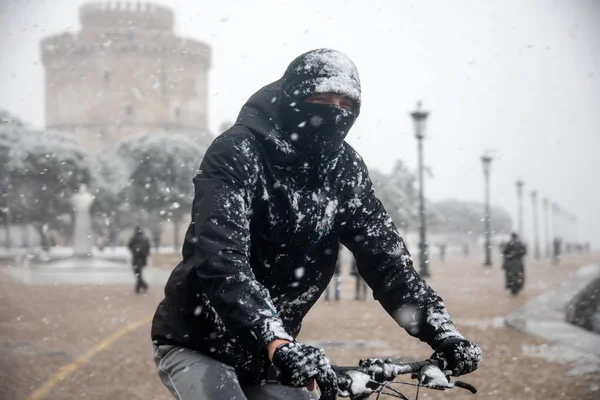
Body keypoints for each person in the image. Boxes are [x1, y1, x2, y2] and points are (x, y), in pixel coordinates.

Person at [151, 48, 481, 400]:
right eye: (320, 98)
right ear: (292, 97)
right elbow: (221, 257)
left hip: (276, 353)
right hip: (199, 339)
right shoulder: (237, 151)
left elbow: (388, 263)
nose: (334, 111)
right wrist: (273, 338)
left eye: (345, 104)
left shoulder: (346, 170)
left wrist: (443, 332)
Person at [128, 226, 150, 294]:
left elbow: (129, 246)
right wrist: (145, 254)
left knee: (138, 273)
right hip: (142, 258)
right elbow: (148, 248)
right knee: (139, 273)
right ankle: (141, 286)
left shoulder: (134, 238)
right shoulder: (145, 238)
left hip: (136, 258)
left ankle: (142, 286)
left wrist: (134, 251)